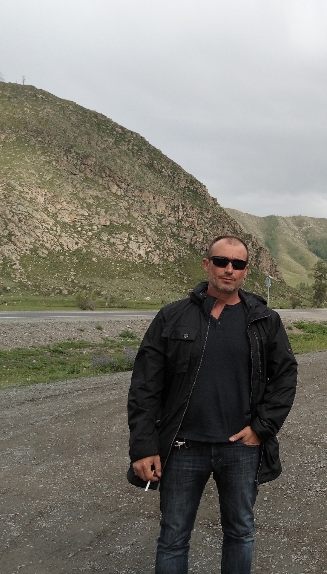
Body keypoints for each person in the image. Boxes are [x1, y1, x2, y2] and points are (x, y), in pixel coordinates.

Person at [127, 235, 297, 574]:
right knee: (173, 537)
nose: (229, 269)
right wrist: (143, 446)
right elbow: (145, 385)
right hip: (182, 447)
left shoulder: (265, 320)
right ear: (207, 265)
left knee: (240, 533)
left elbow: (285, 376)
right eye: (221, 261)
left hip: (241, 449)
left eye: (238, 264)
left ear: (246, 270)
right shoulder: (172, 316)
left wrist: (261, 428)